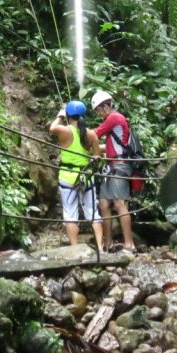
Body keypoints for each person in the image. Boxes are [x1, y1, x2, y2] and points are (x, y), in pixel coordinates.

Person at [49, 100, 105, 251]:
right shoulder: (91, 134)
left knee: (70, 213)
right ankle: (100, 247)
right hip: (86, 177)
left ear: (68, 115)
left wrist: (60, 115)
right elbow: (97, 156)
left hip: (67, 177)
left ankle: (74, 249)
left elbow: (52, 127)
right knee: (93, 212)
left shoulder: (64, 131)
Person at [91, 89, 136, 253]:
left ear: (105, 107)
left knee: (119, 203)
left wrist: (75, 135)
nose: (98, 114)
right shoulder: (113, 120)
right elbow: (108, 146)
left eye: (98, 110)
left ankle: (129, 244)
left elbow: (94, 135)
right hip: (111, 166)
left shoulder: (114, 117)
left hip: (120, 165)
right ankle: (108, 243)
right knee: (104, 204)